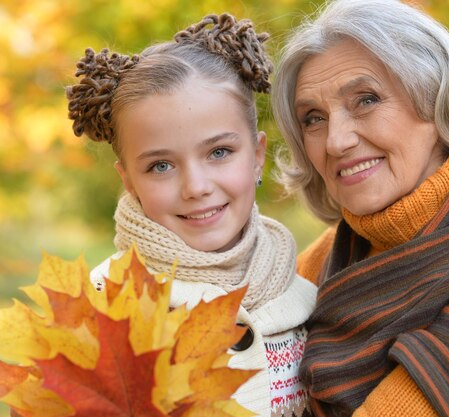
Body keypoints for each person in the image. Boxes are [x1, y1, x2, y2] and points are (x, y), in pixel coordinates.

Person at [272, 0, 449, 416]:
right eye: (313, 118)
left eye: (366, 100)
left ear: (439, 101)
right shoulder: (326, 257)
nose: (335, 141)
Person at [65, 13, 316, 417]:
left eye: (219, 152)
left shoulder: (302, 298)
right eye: (161, 166)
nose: (195, 187)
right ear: (128, 180)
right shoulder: (103, 310)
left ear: (257, 156)